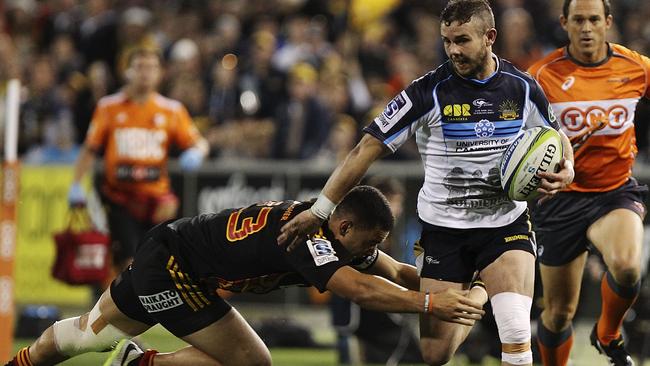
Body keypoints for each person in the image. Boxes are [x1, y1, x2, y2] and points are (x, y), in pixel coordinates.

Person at [277, 1, 575, 365]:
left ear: (490, 37)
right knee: (434, 355)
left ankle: (491, 289)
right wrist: (321, 209)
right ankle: (481, 290)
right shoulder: (426, 92)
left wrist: (568, 168)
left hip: (504, 225)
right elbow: (365, 148)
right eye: (447, 41)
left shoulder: (523, 88)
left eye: (462, 40)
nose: (453, 50)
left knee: (514, 330)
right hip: (444, 232)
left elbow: (558, 137)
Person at [5, 186, 485, 366]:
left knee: (88, 336)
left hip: (169, 251)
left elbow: (397, 271)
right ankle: (137, 363)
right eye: (368, 240)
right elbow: (355, 288)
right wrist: (428, 306)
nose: (373, 250)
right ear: (343, 226)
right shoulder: (311, 235)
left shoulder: (340, 235)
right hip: (173, 267)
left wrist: (453, 283)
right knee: (254, 362)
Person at [527, 1, 650, 365]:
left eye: (594, 19)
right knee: (560, 312)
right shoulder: (541, 76)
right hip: (560, 201)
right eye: (578, 19)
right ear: (565, 23)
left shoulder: (636, 67)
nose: (586, 27)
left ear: (607, 22)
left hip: (614, 193)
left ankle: (608, 333)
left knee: (628, 267)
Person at [67, 47, 209, 275]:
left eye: (152, 67)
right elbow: (90, 149)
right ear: (128, 71)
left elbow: (200, 143)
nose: (146, 73)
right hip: (120, 198)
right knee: (129, 263)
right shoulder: (109, 107)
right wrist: (75, 184)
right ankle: (129, 307)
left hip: (157, 201)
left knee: (158, 260)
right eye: (140, 67)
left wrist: (196, 153)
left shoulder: (171, 110)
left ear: (160, 73)